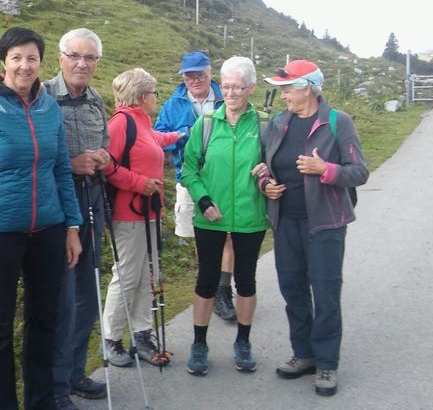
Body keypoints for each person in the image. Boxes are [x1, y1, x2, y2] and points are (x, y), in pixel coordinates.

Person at [0, 27, 83, 410]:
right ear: (3, 61)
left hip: (48, 229)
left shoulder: (49, 106)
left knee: (45, 320)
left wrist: (72, 226)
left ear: (41, 62)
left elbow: (61, 168)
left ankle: (42, 401)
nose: (24, 65)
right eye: (16, 57)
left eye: (32, 58)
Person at [260, 59, 368, 397]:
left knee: (325, 292)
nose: (282, 96)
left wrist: (325, 169)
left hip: (325, 224)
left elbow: (359, 171)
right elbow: (263, 165)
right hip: (285, 221)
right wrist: (266, 185)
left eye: (287, 89)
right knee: (292, 289)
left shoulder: (338, 122)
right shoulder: (279, 123)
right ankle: (303, 353)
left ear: (306, 88)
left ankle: (326, 362)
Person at [180, 56, 269, 376]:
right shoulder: (205, 124)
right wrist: (203, 201)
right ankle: (199, 344)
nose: (230, 94)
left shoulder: (265, 125)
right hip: (210, 217)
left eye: (238, 88)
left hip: (250, 216)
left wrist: (270, 173)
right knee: (206, 280)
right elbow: (189, 169)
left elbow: (278, 165)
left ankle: (243, 342)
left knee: (246, 280)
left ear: (251, 88)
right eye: (226, 86)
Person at [45, 28, 110, 410]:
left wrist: (103, 156)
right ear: (61, 58)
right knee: (60, 297)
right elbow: (33, 155)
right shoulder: (41, 97)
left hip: (93, 201)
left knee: (87, 292)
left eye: (90, 58)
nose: (82, 63)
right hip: (56, 208)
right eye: (75, 55)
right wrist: (72, 164)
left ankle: (74, 374)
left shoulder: (95, 100)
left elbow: (106, 143)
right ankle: (53, 386)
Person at [102, 68, 181, 368]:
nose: (156, 97)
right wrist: (139, 183)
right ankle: (111, 339)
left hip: (149, 212)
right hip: (129, 213)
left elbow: (154, 140)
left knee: (149, 275)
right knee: (127, 276)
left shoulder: (141, 122)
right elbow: (107, 165)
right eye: (154, 93)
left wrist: (179, 135)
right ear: (141, 95)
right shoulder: (121, 122)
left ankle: (142, 335)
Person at [155, 51, 237, 322]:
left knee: (228, 235)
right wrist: (183, 136)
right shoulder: (173, 105)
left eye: (200, 75)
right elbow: (159, 137)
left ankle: (223, 291)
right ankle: (209, 286)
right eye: (189, 76)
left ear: (210, 73)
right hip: (190, 179)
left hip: (226, 178)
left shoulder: (226, 97)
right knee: (203, 239)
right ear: (183, 77)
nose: (195, 80)